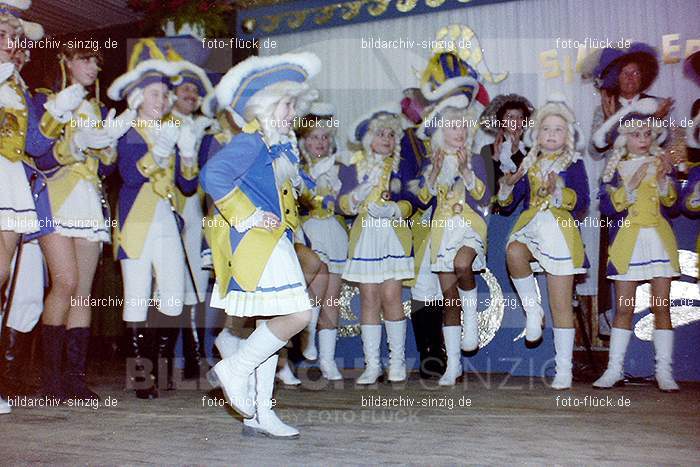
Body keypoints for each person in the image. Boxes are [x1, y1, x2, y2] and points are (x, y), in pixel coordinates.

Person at [202, 52, 320, 439]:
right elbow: (213, 174)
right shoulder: (252, 141)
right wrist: (246, 214)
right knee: (298, 315)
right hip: (258, 244)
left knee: (273, 325)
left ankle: (259, 412)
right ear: (268, 105)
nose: (292, 112)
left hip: (276, 242)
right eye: (287, 104)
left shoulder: (277, 145)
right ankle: (233, 369)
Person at [107, 57, 198, 399]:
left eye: (165, 95)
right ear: (138, 99)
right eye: (155, 94)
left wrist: (187, 154)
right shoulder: (128, 132)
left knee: (173, 296)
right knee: (137, 297)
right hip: (136, 221)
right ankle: (141, 376)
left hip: (167, 220)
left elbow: (187, 187)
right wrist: (161, 149)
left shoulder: (170, 130)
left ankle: (159, 368)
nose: (162, 101)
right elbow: (130, 176)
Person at [498, 96, 590, 390]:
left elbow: (582, 202)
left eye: (558, 129)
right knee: (513, 251)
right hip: (532, 229)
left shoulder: (574, 164)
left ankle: (564, 369)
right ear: (536, 133)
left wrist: (559, 192)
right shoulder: (529, 163)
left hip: (560, 234)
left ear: (568, 136)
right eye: (546, 128)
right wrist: (507, 185)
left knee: (561, 304)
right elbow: (510, 202)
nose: (551, 134)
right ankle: (532, 311)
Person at [593, 99, 681, 392]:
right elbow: (605, 206)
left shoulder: (660, 163)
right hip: (627, 243)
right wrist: (628, 190)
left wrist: (666, 182)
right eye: (635, 134)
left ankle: (663, 372)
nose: (642, 139)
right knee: (624, 308)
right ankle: (614, 369)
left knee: (661, 305)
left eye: (646, 133)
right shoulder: (614, 170)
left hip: (657, 239)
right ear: (623, 138)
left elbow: (672, 202)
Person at [412, 85, 489, 386]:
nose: (458, 131)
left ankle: (471, 322)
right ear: (441, 131)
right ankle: (453, 365)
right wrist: (433, 174)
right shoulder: (434, 160)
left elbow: (483, 197)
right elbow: (422, 196)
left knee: (462, 265)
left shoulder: (478, 157)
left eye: (462, 125)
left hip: (469, 226)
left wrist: (469, 171)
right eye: (452, 126)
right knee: (448, 298)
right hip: (442, 229)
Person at [337, 103, 414, 384]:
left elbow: (414, 199)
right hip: (365, 238)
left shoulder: (402, 166)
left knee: (392, 297)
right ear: (369, 137)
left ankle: (397, 362)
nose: (386, 139)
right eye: (381, 134)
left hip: (393, 237)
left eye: (391, 135)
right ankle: (372, 364)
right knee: (368, 298)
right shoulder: (352, 166)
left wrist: (396, 210)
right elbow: (343, 204)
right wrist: (357, 196)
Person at [167, 60, 214, 383]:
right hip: (168, 205)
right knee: (169, 281)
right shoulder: (162, 123)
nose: (191, 95)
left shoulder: (205, 127)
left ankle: (194, 354)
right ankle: (169, 356)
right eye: (185, 89)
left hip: (196, 207)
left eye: (196, 91)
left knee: (195, 281)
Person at [296, 102, 348, 381]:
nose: (320, 142)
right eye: (314, 137)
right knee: (315, 283)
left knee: (332, 297)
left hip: (333, 231)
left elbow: (346, 204)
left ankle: (327, 360)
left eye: (325, 137)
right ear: (304, 140)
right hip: (306, 232)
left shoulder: (339, 168)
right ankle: (307, 338)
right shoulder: (294, 165)